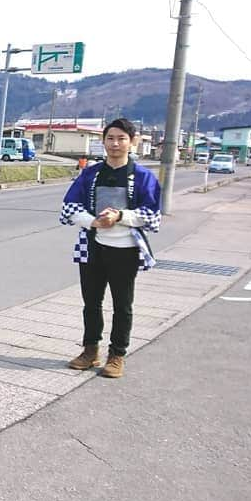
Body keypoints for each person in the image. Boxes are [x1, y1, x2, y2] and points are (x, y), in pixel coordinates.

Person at [60, 118, 161, 379]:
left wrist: (120, 217)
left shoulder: (143, 176)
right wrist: (92, 221)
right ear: (103, 141)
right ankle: (90, 350)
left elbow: (151, 215)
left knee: (122, 304)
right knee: (91, 302)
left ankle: (117, 354)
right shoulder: (91, 173)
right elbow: (69, 206)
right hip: (92, 245)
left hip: (125, 249)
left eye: (121, 138)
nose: (115, 144)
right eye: (110, 138)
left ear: (133, 142)